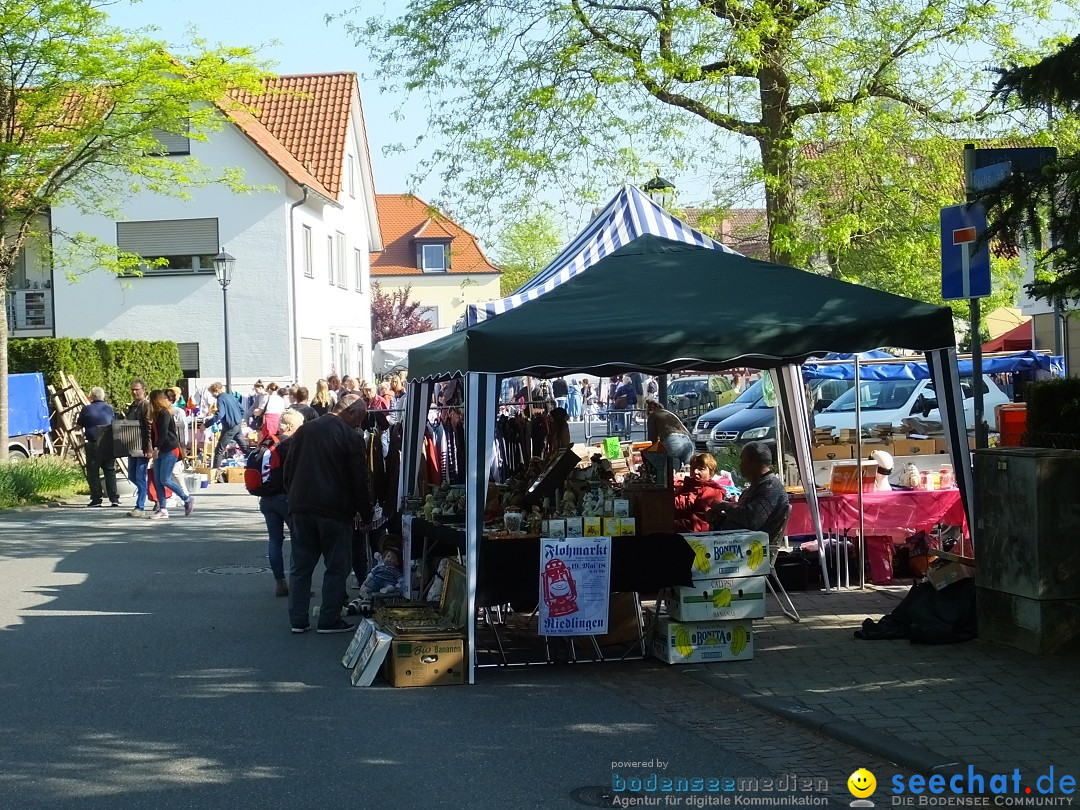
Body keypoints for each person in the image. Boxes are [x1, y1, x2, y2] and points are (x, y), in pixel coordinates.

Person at [283, 393, 373, 634]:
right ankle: (329, 618)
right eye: (360, 418)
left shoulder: (304, 430)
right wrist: (366, 514)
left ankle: (298, 619)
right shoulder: (351, 437)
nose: (360, 424)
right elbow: (359, 480)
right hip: (334, 509)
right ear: (350, 412)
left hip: (301, 506)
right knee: (337, 565)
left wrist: (294, 496)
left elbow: (288, 468)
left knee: (301, 565)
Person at [259, 409, 304, 597]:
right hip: (285, 497)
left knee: (274, 540)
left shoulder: (267, 442)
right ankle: (299, 584)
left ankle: (280, 583)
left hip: (266, 497)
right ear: (293, 426)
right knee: (299, 540)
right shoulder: (291, 444)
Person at [709, 441, 789, 533]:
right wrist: (719, 518)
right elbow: (741, 518)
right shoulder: (757, 485)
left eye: (742, 460)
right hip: (738, 539)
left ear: (749, 462)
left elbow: (752, 520)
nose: (740, 465)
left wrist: (724, 506)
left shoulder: (770, 487)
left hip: (754, 544)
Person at [148, 389, 194, 520]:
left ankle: (186, 498)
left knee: (165, 479)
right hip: (160, 449)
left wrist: (156, 447)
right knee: (158, 481)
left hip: (169, 449)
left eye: (151, 401)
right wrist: (154, 448)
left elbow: (163, 435)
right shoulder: (156, 414)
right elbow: (154, 434)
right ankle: (163, 509)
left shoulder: (164, 414)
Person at [77, 386, 120, 507]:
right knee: (110, 470)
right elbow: (113, 422)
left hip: (93, 443)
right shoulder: (109, 409)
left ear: (91, 397)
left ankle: (96, 499)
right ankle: (114, 498)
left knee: (93, 470)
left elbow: (79, 425)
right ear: (103, 396)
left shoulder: (86, 409)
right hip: (108, 442)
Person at [674, 453, 727, 532]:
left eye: (701, 469)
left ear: (711, 472)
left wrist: (665, 524)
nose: (695, 471)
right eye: (693, 468)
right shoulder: (685, 487)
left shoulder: (712, 493)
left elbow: (700, 524)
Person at [124, 379, 153, 517]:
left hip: (142, 448)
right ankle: (153, 495)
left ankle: (140, 507)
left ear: (144, 390)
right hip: (132, 446)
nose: (135, 392)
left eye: (137, 389)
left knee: (140, 477)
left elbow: (149, 428)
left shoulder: (145, 406)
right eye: (132, 390)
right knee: (132, 476)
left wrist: (149, 448)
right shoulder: (133, 406)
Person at [205, 382, 249, 470]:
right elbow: (241, 409)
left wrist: (207, 424)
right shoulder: (231, 396)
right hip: (237, 424)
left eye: (212, 393)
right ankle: (253, 463)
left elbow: (220, 414)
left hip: (229, 427)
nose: (212, 395)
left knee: (219, 449)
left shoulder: (220, 399)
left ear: (216, 391)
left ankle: (215, 471)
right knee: (244, 447)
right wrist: (239, 419)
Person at [645, 399, 694, 467]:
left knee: (671, 472)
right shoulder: (670, 413)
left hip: (673, 442)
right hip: (688, 441)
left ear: (649, 410)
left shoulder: (653, 415)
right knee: (687, 470)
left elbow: (652, 440)